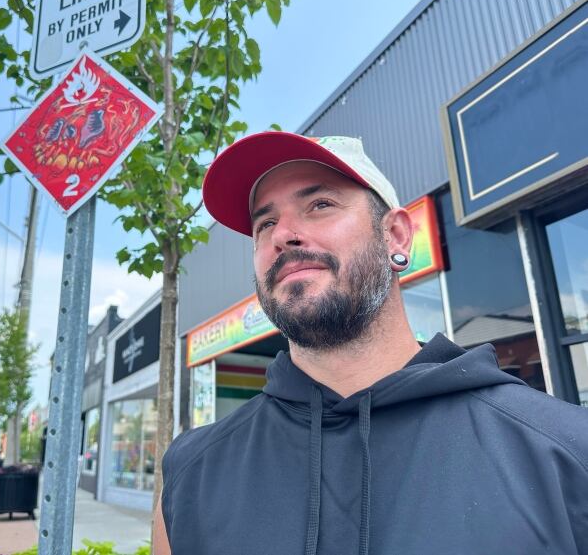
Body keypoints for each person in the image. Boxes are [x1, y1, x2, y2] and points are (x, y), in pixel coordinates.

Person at [153, 132, 588, 555]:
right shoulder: (190, 473)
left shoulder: (564, 451)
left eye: (320, 204)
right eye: (264, 223)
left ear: (396, 236)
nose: (282, 234)